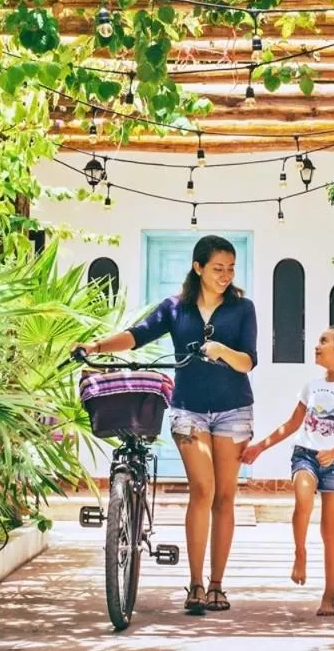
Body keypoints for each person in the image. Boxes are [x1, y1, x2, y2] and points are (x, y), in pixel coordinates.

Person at [80, 235, 257, 616]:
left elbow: (248, 362)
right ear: (198, 267)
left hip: (234, 411)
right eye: (217, 268)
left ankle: (216, 586)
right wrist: (95, 347)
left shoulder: (243, 309)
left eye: (230, 268)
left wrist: (222, 351)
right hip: (188, 410)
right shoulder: (176, 308)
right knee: (203, 489)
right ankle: (194, 584)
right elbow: (136, 336)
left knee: (225, 497)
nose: (225, 275)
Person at [242, 325, 334, 617]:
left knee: (329, 531)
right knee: (303, 498)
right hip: (306, 456)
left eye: (324, 341)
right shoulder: (311, 386)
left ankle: (329, 595)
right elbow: (291, 424)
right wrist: (260, 447)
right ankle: (300, 552)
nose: (317, 346)